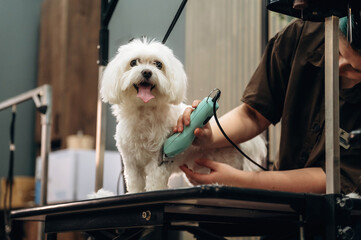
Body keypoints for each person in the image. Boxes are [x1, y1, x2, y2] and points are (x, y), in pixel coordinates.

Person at [176, 16, 361, 195]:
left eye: (355, 69)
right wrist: (209, 135)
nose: (339, 65)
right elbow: (254, 114)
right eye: (337, 51)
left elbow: (329, 178)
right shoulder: (302, 36)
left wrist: (240, 181)